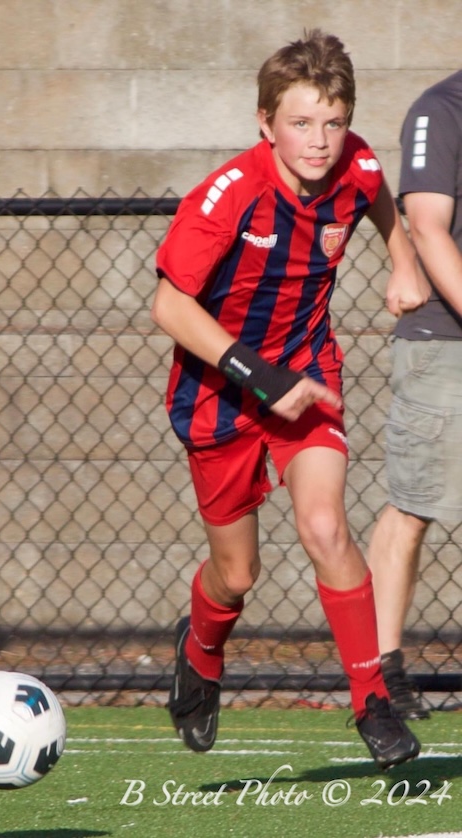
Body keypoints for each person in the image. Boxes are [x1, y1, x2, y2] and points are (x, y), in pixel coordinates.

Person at [151, 29, 429, 770]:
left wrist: (401, 257)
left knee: (324, 526)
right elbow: (169, 305)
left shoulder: (355, 164)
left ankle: (372, 702)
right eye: (301, 123)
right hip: (219, 392)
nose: (320, 141)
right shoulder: (228, 195)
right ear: (266, 123)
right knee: (237, 575)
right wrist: (258, 378)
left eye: (333, 123)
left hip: (307, 373)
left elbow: (376, 192)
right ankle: (200, 650)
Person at [367, 69, 462, 721]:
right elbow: (427, 227)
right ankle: (381, 673)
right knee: (414, 505)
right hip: (444, 343)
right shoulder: (442, 108)